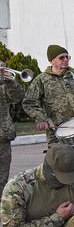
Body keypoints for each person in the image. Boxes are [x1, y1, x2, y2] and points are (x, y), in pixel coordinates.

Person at [22, 45, 74, 196]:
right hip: (56, 133)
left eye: (67, 57)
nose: (66, 60)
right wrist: (40, 118)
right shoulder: (41, 80)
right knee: (58, 167)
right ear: (51, 60)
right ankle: (60, 198)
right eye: (61, 57)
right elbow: (29, 102)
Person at [0, 62, 26, 195]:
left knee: (2, 179)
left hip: (2, 135)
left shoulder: (3, 81)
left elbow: (18, 98)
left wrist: (9, 81)